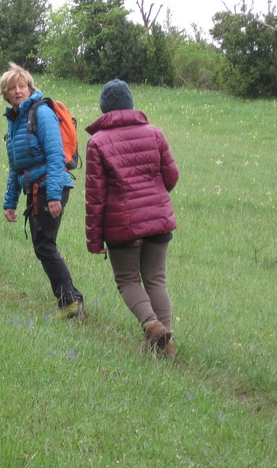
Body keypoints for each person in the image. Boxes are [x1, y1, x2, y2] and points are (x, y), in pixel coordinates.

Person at [84, 79, 180, 357]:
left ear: (104, 109)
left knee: (127, 280)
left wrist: (94, 239)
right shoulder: (155, 134)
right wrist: (155, 197)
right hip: (159, 220)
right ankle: (166, 345)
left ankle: (153, 326)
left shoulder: (97, 142)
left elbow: (95, 197)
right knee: (156, 280)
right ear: (131, 104)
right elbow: (171, 177)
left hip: (123, 227)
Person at [1, 63, 85, 319]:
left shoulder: (41, 113)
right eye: (12, 87)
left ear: (30, 87)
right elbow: (16, 167)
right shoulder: (15, 121)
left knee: (44, 246)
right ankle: (74, 300)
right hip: (36, 188)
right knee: (43, 245)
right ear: (5, 93)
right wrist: (10, 202)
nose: (18, 90)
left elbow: (55, 154)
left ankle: (69, 303)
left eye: (22, 86)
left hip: (51, 185)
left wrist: (53, 196)